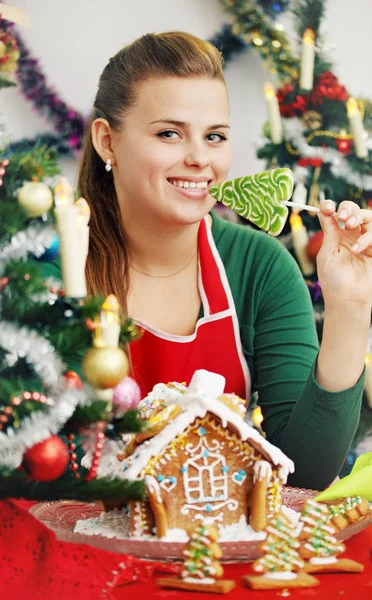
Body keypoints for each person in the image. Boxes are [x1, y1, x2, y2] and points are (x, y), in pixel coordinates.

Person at [77, 31, 372, 491]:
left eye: (214, 136)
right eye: (169, 133)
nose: (199, 158)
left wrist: (351, 310)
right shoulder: (54, 264)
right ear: (107, 141)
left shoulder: (260, 267)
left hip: (216, 548)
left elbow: (306, 474)